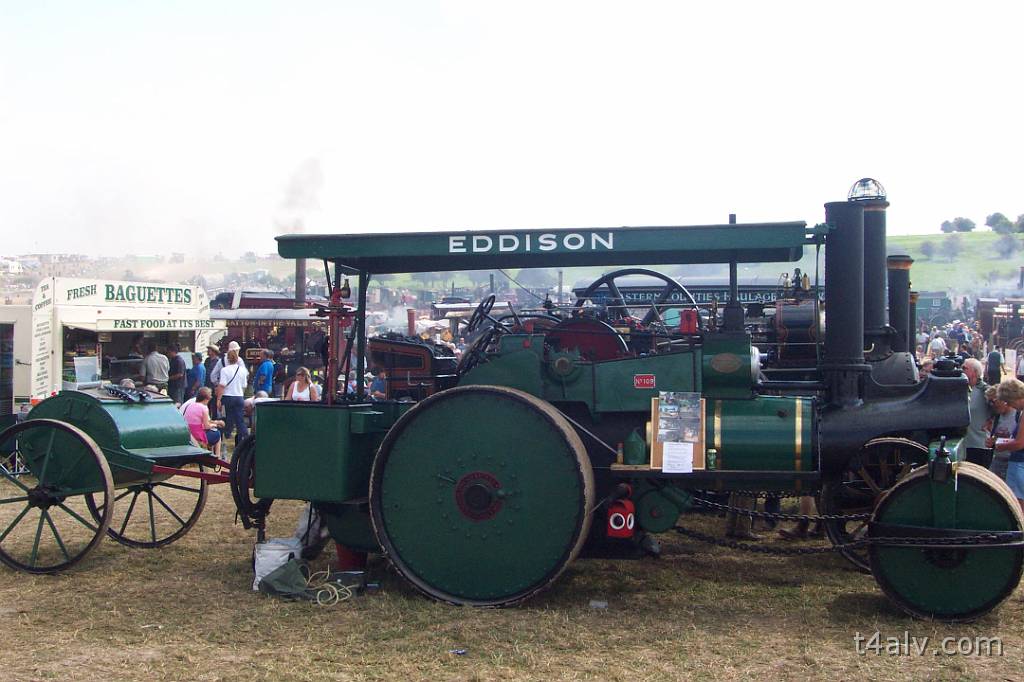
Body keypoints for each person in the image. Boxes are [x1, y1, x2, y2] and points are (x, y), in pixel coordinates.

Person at [987, 379, 1024, 514]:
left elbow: (1020, 443)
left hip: (1020, 463)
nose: (1010, 405)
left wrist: (1000, 445)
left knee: (1018, 506)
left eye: (1009, 402)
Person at [962, 358, 992, 467]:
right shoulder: (961, 389)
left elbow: (1000, 407)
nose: (962, 370)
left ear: (975, 372)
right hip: (962, 445)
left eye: (965, 368)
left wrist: (992, 420)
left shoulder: (985, 390)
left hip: (979, 444)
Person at [985, 385, 1018, 481]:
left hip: (1013, 461)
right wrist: (991, 441)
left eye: (994, 401)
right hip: (998, 460)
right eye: (989, 402)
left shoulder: (1017, 415)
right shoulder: (997, 417)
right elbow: (995, 439)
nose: (992, 405)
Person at [218, 347, 250, 443]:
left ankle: (227, 434)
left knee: (227, 417)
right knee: (239, 418)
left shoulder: (224, 370)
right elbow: (244, 385)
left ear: (228, 359)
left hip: (227, 396)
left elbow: (222, 385)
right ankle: (243, 436)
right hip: (239, 396)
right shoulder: (243, 370)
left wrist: (218, 399)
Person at [183, 387, 225, 457]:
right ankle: (217, 456)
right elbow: (207, 426)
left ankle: (210, 452)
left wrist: (215, 422)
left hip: (189, 434)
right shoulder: (204, 408)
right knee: (217, 433)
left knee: (212, 432)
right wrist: (215, 425)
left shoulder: (190, 405)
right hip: (198, 435)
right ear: (207, 398)